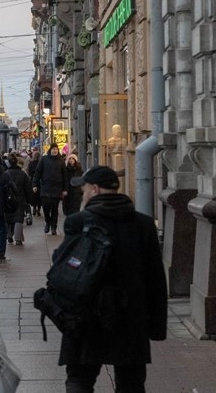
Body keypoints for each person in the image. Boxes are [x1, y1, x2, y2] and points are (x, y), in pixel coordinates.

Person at [58, 166, 167, 393]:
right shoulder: (144, 224)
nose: (83, 194)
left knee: (80, 379)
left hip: (86, 316)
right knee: (131, 383)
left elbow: (63, 270)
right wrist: (156, 326)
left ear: (95, 190)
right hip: (131, 317)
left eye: (85, 189)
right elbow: (156, 279)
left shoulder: (78, 222)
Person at [33, 143, 69, 235]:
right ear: (50, 150)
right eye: (53, 149)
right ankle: (47, 222)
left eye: (56, 149)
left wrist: (65, 189)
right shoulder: (44, 159)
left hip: (57, 188)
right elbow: (37, 173)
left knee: (54, 209)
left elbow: (65, 176)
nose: (55, 151)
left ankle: (53, 226)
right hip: (46, 187)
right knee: (45, 207)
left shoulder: (61, 161)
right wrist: (35, 184)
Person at [5, 153, 34, 246]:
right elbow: (28, 188)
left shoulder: (5, 174)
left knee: (9, 218)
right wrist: (30, 200)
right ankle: (18, 239)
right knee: (18, 219)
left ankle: (9, 235)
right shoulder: (22, 174)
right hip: (20, 199)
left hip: (8, 200)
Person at [26, 151, 42, 216]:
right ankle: (38, 209)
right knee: (39, 196)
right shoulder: (40, 163)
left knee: (34, 195)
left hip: (32, 181)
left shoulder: (31, 163)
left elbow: (28, 172)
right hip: (40, 181)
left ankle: (34, 208)